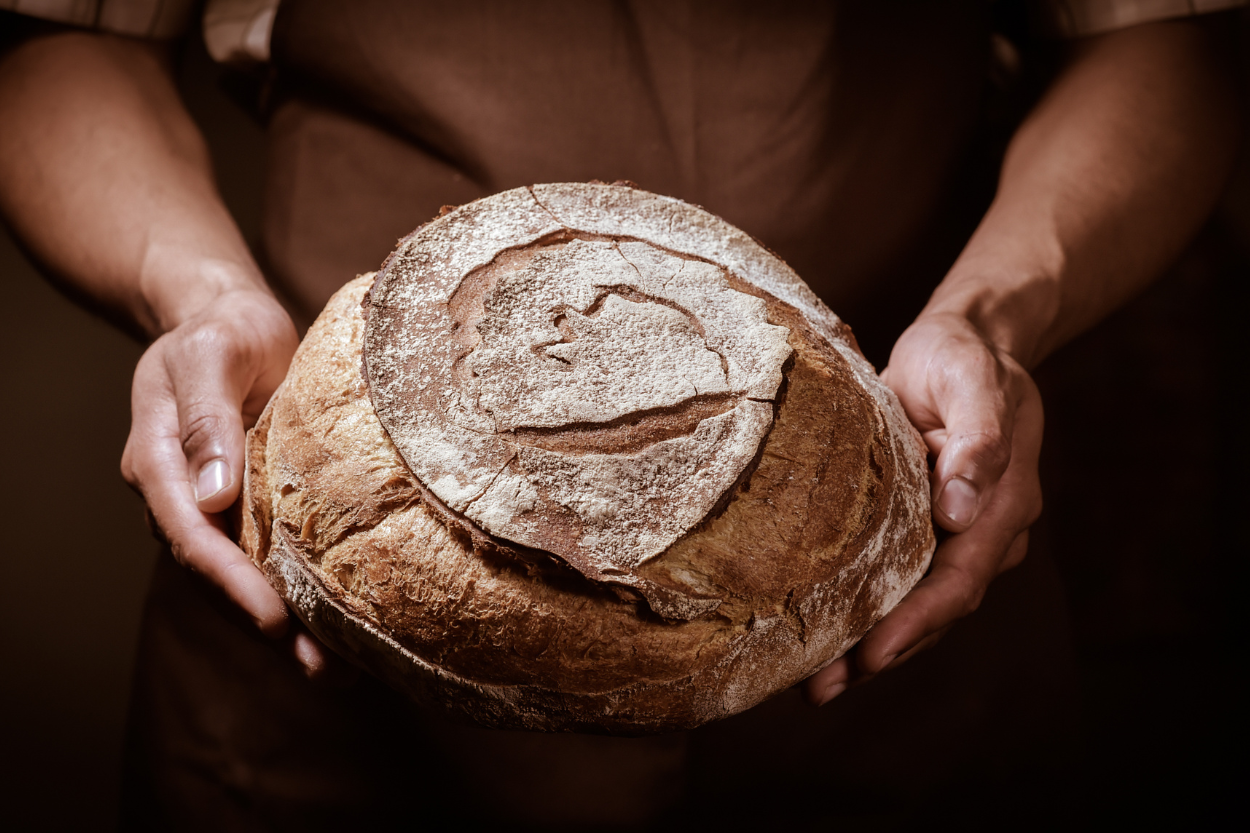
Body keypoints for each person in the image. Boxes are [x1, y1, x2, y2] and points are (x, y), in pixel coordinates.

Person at [0, 0, 1241, 827]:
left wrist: (988, 318)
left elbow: (1163, 39)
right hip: (332, 592)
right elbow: (65, 34)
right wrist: (203, 295)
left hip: (893, 553)